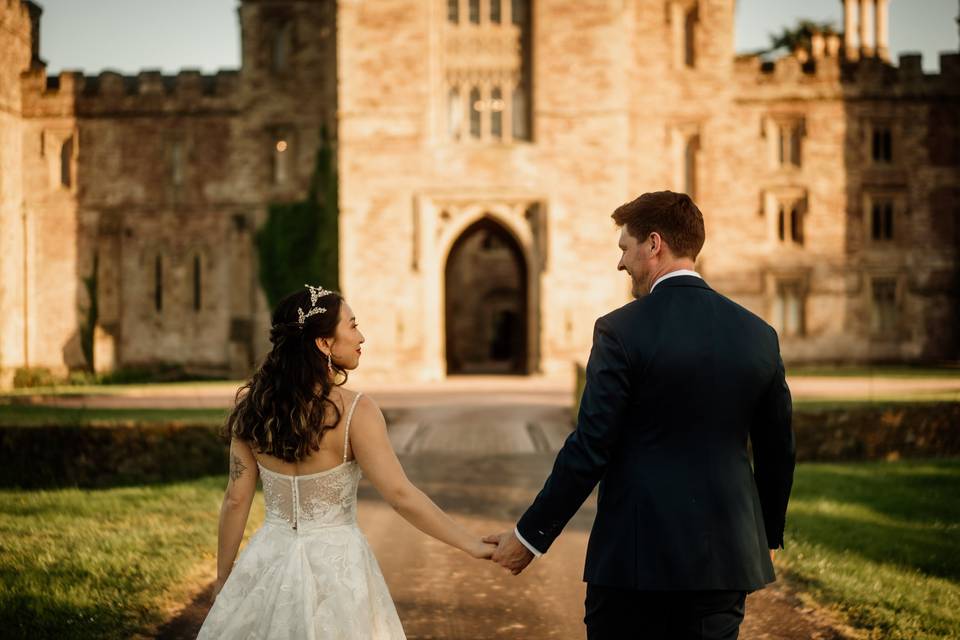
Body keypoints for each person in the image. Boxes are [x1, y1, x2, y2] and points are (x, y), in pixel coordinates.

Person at [484, 191, 796, 640]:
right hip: (723, 560)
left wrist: (529, 537)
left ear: (654, 244)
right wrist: (762, 533)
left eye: (624, 248)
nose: (620, 263)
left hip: (634, 562)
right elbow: (777, 449)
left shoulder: (620, 330)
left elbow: (591, 448)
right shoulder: (758, 335)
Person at [197, 285, 494, 639]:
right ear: (323, 343)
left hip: (267, 564)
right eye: (352, 326)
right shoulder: (356, 411)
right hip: (337, 571)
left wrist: (225, 582)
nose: (361, 336)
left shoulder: (253, 410)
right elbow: (400, 495)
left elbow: (235, 499)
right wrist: (471, 544)